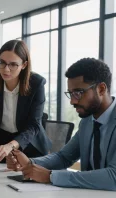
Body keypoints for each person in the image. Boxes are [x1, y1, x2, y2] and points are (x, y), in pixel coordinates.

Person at [7, 58, 116, 191]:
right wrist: (30, 163)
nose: (72, 101)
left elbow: (113, 177)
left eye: (78, 93)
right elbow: (64, 157)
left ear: (101, 89)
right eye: (70, 94)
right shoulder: (87, 122)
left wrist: (51, 176)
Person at [0, 40, 51, 163]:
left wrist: (11, 145)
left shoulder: (36, 84)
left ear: (24, 65)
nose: (6, 69)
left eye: (13, 65)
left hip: (29, 143)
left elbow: (34, 125)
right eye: (2, 63)